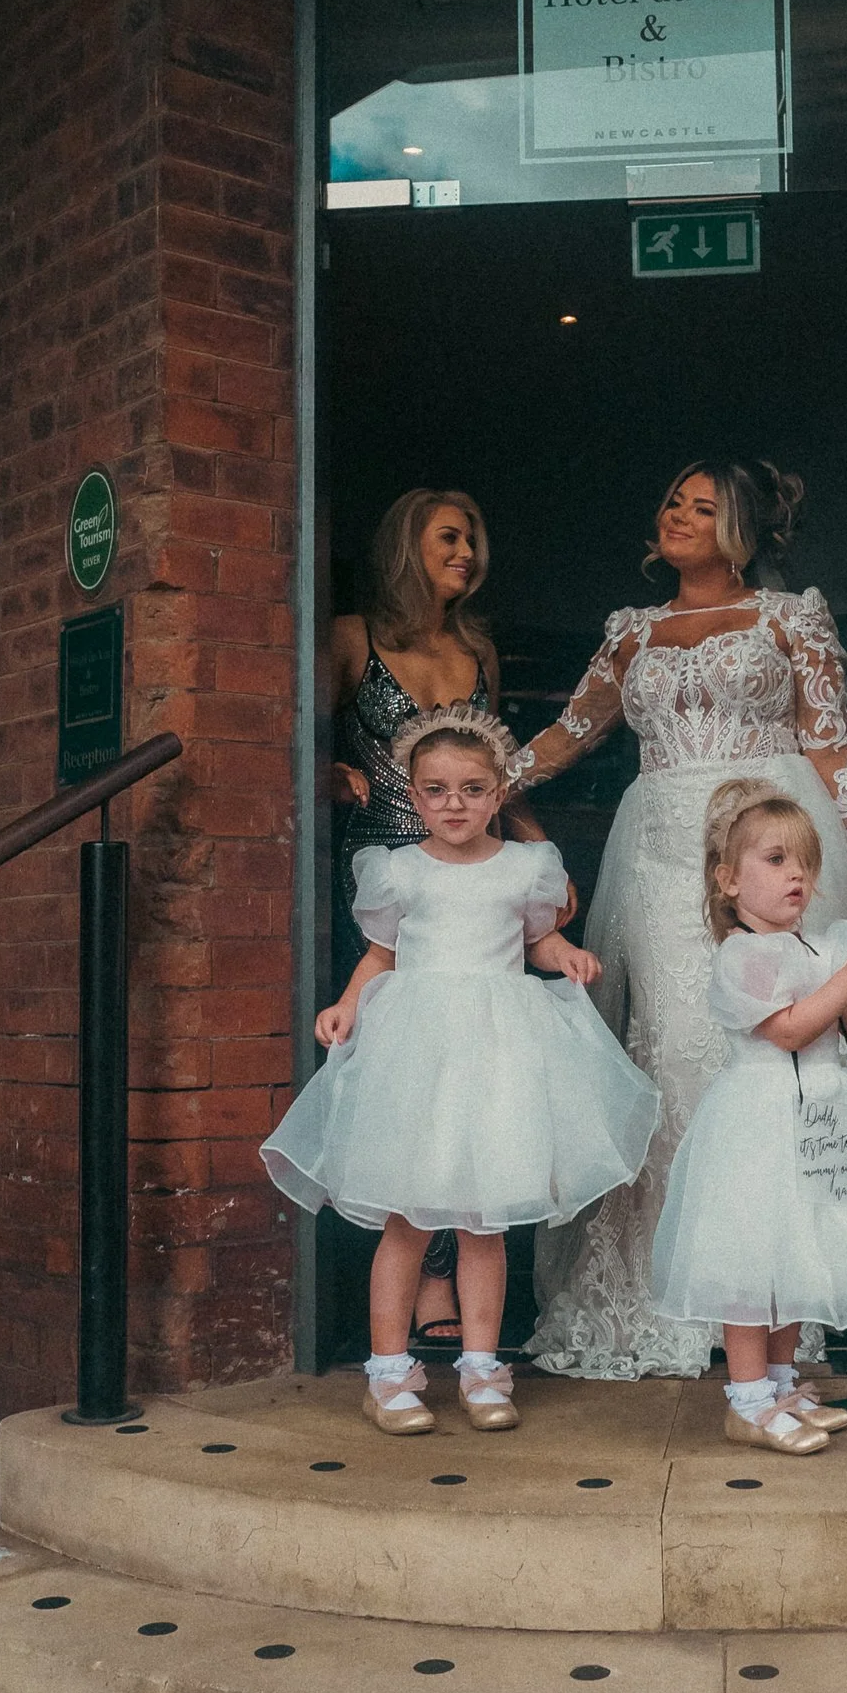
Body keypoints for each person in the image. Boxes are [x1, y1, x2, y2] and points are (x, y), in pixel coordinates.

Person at [505, 456, 847, 1383]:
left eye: (702, 507)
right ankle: (676, 1292)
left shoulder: (791, 618)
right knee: (670, 1050)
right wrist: (476, 782)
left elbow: (831, 743)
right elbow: (573, 732)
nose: (677, 514)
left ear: (740, 528)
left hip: (775, 836)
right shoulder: (632, 632)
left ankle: (780, 1293)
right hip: (665, 857)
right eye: (672, 499)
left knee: (787, 1050)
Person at [263, 707, 657, 1435]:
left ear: (500, 791)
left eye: (472, 789)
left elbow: (537, 940)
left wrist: (563, 956)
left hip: (501, 1052)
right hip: (419, 1055)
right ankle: (387, 1374)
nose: (454, 804)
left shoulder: (526, 868)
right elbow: (383, 955)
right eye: (437, 790)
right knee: (407, 1218)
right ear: (412, 798)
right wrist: (348, 1005)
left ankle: (480, 1365)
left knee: (486, 1222)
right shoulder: (398, 871)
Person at [653, 779, 847, 1455]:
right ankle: (746, 1400)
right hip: (761, 1117)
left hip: (824, 1118)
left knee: (798, 1253)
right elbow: (787, 1030)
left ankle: (780, 1381)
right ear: (728, 881)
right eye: (775, 861)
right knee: (753, 1259)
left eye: (804, 863)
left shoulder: (825, 946)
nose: (797, 876)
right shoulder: (741, 956)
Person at [326, 488, 540, 1349]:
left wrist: (538, 853)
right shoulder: (351, 636)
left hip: (482, 876)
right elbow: (292, 732)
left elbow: (497, 769)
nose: (467, 551)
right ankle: (410, 1282)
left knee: (475, 1086)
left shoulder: (478, 647)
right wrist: (327, 770)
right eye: (450, 536)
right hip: (388, 869)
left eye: (474, 537)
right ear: (406, 545)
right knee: (413, 1087)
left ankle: (449, 1277)